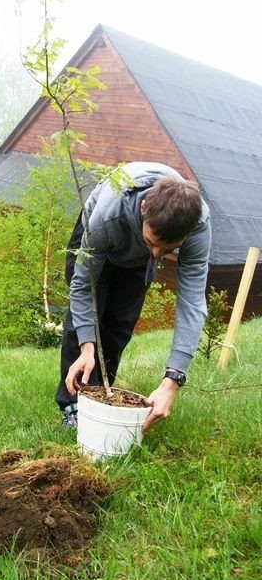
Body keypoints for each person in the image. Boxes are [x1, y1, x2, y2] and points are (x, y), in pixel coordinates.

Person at [56, 162, 211, 433]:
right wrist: (87, 347)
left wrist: (172, 379)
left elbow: (192, 301)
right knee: (87, 320)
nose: (156, 256)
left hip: (133, 250)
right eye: (153, 243)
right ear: (143, 210)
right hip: (96, 238)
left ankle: (99, 395)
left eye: (168, 250)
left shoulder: (197, 226)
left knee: (120, 324)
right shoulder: (107, 216)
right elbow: (82, 287)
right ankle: (72, 404)